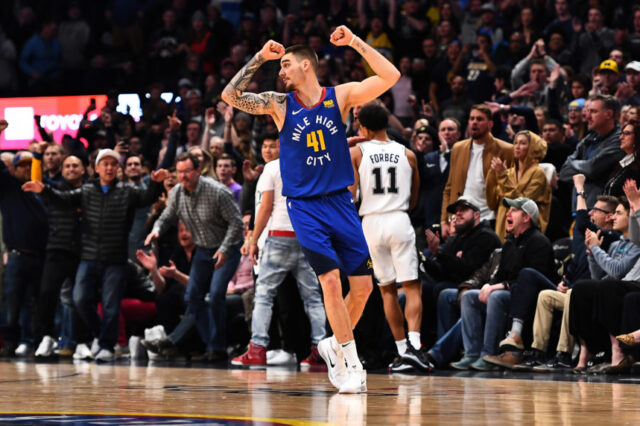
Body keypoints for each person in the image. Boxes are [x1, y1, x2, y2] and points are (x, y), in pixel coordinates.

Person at [221, 26, 401, 393]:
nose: (281, 72)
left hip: (341, 204)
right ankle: (350, 362)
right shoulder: (279, 104)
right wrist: (260, 58)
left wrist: (354, 42)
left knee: (364, 288)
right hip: (305, 207)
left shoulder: (341, 96)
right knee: (331, 282)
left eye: (286, 65)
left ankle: (333, 345)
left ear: (307, 66)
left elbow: (390, 76)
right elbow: (230, 95)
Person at [22, 149, 168, 362]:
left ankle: (107, 346)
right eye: (104, 164)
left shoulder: (128, 191)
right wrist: (44, 190)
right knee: (80, 299)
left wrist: (155, 184)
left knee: (110, 305)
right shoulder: (87, 191)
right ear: (97, 168)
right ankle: (102, 336)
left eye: (113, 164)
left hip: (115, 259)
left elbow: (146, 197)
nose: (109, 167)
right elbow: (63, 198)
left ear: (118, 168)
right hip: (89, 257)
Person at [348, 102, 431, 373]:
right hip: (398, 218)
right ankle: (416, 348)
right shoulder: (408, 154)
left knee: (386, 289)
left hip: (370, 223)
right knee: (411, 286)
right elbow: (416, 196)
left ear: (362, 126)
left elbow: (350, 195)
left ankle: (401, 350)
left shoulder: (356, 153)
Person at [232, 133, 327, 368]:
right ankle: (320, 351)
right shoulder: (312, 166)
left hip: (279, 236)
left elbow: (265, 207)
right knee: (313, 299)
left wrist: (254, 238)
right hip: (306, 237)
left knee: (263, 296)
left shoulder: (273, 168)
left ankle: (257, 348)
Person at [145, 152, 243, 363]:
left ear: (198, 171)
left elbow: (237, 223)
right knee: (192, 297)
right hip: (203, 248)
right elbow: (167, 216)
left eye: (187, 171)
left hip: (227, 248)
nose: (183, 176)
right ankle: (214, 347)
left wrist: (225, 249)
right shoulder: (178, 192)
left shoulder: (217, 191)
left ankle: (217, 347)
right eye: (179, 172)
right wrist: (156, 230)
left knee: (216, 294)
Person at [451, 197, 555, 370]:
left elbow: (530, 282)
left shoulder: (539, 242)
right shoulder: (509, 244)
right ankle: (471, 353)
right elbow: (499, 275)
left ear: (526, 218)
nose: (507, 213)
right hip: (508, 291)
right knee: (470, 296)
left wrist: (497, 286)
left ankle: (487, 354)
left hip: (529, 298)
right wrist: (488, 284)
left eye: (513, 210)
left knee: (497, 297)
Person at [33, 154, 86, 358]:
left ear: (83, 169)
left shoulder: (91, 190)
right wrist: (37, 157)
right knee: (46, 294)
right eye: (67, 166)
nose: (71, 169)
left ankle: (82, 341)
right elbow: (37, 181)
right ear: (62, 170)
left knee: (81, 298)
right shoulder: (53, 188)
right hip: (57, 249)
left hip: (83, 251)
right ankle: (47, 338)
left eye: (75, 165)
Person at [440, 105, 513, 239]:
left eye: (479, 119)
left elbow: (511, 190)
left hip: (489, 219)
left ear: (490, 124)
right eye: (472, 118)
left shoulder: (506, 150)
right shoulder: (458, 148)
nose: (474, 122)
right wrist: (444, 220)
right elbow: (449, 187)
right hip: (461, 219)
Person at [558, 94, 623, 209]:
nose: (587, 116)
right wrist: (584, 168)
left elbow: (592, 168)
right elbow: (563, 173)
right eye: (587, 111)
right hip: (579, 206)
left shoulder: (619, 139)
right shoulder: (588, 138)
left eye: (593, 111)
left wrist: (573, 163)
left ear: (608, 114)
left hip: (603, 211)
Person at [486, 130, 551, 241]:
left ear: (532, 147)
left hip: (525, 230)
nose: (517, 146)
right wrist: (492, 175)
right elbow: (492, 204)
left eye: (522, 143)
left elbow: (523, 202)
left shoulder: (538, 173)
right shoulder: (508, 172)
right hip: (502, 227)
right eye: (515, 143)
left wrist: (501, 175)